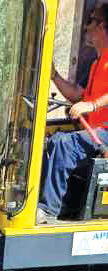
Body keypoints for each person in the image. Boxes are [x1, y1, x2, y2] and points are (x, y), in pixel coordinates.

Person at [40, 4, 108, 223]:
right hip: (96, 133)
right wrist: (54, 76)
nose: (86, 27)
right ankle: (60, 208)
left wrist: (92, 106)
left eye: (90, 21)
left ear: (102, 26)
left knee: (63, 144)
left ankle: (47, 211)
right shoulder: (98, 63)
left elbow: (88, 103)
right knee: (48, 140)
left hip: (105, 134)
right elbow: (79, 96)